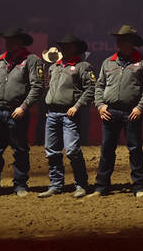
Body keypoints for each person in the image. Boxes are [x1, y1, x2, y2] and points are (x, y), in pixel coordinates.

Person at [89, 25, 143, 198]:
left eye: (123, 39)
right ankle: (101, 187)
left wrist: (140, 107)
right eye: (118, 39)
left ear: (132, 42)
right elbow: (99, 86)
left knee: (135, 150)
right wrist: (100, 105)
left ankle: (139, 186)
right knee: (106, 150)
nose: (119, 42)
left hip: (131, 112)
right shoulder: (108, 62)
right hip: (109, 111)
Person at [0, 28, 43, 198]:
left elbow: (37, 86)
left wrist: (24, 106)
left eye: (12, 40)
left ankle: (20, 185)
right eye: (7, 39)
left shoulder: (31, 60)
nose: (8, 42)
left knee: (20, 150)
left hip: (17, 111)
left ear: (21, 41)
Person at [38, 34, 94, 198]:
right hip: (53, 113)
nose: (65, 48)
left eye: (68, 46)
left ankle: (81, 184)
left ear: (76, 48)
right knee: (52, 151)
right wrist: (48, 107)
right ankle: (56, 184)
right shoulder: (55, 67)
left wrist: (77, 106)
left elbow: (90, 89)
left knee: (72, 150)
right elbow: (49, 88)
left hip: (69, 113)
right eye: (63, 46)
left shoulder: (83, 66)